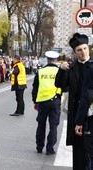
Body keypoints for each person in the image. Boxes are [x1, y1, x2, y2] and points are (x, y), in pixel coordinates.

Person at [55, 33, 91, 170]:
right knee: (79, 153)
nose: (83, 52)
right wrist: (62, 71)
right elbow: (60, 86)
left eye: (85, 48)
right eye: (79, 50)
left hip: (91, 116)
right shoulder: (71, 67)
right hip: (77, 114)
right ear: (75, 52)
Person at [32, 51, 61, 155]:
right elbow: (65, 87)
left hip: (42, 102)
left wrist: (35, 101)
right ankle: (50, 149)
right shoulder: (59, 71)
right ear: (56, 60)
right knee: (53, 126)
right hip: (55, 101)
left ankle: (39, 146)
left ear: (47, 59)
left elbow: (35, 88)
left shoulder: (40, 71)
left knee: (41, 125)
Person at [74, 62, 93, 168]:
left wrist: (79, 121)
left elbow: (87, 96)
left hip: (91, 119)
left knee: (91, 155)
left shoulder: (91, 69)